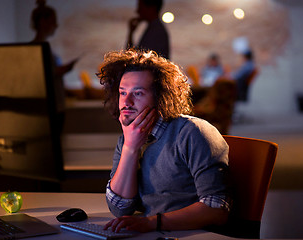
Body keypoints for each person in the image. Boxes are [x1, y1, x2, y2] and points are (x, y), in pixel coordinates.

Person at [96, 49, 232, 233]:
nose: (126, 102)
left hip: (191, 235)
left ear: (161, 98)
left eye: (137, 93)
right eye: (122, 92)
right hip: (152, 233)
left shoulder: (193, 133)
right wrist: (130, 148)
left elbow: (216, 209)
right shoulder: (128, 138)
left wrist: (151, 223)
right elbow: (120, 208)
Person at [30, 0, 78, 130]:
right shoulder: (39, 48)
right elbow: (45, 74)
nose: (56, 25)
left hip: (51, 106)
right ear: (43, 22)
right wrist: (63, 70)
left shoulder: (41, 48)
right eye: (53, 21)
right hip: (50, 107)